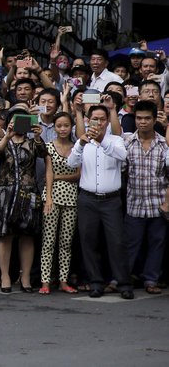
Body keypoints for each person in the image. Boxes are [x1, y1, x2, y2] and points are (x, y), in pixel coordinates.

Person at [68, 105, 134, 299]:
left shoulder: (116, 140)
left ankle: (123, 283)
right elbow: (71, 163)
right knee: (89, 242)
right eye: (94, 118)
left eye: (102, 119)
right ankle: (95, 282)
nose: (98, 122)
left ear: (107, 121)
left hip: (111, 200)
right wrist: (81, 144)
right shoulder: (83, 142)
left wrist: (102, 140)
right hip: (87, 198)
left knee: (117, 242)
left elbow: (123, 157)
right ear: (88, 120)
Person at [0, 106, 46, 293]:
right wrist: (7, 135)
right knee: (5, 236)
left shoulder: (32, 142)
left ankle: (26, 276)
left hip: (28, 193)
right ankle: (5, 276)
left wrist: (38, 136)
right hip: (6, 194)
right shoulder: (3, 140)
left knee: (27, 236)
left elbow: (43, 152)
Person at [122, 100, 168, 294]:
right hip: (134, 203)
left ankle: (151, 280)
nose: (143, 122)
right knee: (131, 245)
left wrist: (167, 202)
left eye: (147, 118)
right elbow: (122, 172)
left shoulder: (164, 145)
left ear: (154, 118)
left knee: (157, 244)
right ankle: (125, 279)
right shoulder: (126, 143)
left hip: (158, 203)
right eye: (139, 118)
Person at [39, 112, 79, 294]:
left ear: (71, 127)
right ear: (54, 127)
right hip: (52, 196)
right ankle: (45, 281)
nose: (62, 129)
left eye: (66, 125)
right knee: (48, 241)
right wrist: (48, 197)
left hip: (71, 198)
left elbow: (78, 174)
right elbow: (48, 173)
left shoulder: (77, 147)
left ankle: (64, 280)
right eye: (59, 126)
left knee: (66, 242)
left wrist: (59, 176)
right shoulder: (48, 146)